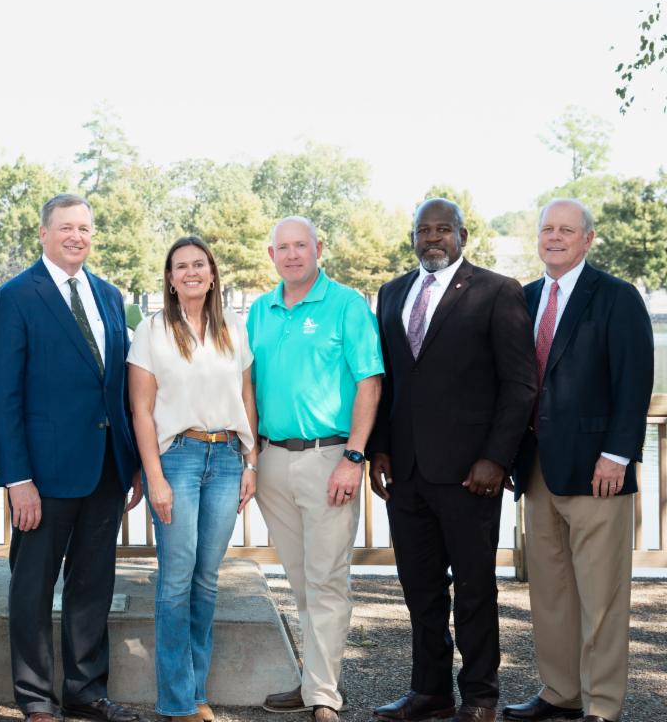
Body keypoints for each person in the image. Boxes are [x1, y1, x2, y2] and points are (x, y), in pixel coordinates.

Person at [368, 199, 537, 722]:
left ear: (463, 235)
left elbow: (520, 384)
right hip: (407, 473)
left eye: (444, 229)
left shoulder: (497, 291)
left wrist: (495, 458)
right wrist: (379, 447)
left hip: (471, 475)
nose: (433, 238)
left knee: (475, 589)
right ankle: (430, 692)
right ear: (413, 236)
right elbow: (389, 380)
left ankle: (482, 697)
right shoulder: (393, 292)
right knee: (420, 590)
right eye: (424, 230)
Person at [0, 193, 143, 722]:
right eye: (67, 227)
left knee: (93, 584)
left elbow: (117, 387)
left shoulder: (109, 295)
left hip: (105, 468)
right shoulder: (14, 297)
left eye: (86, 228)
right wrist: (17, 477)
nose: (78, 236)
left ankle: (85, 692)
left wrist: (133, 464)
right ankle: (34, 697)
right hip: (42, 475)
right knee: (32, 586)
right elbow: (1, 395)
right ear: (44, 234)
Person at [501, 200, 654, 722]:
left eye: (567, 230)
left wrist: (617, 455)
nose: (555, 237)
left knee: (603, 596)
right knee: (550, 592)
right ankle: (560, 692)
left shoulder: (616, 297)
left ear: (588, 239)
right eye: (547, 228)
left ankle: (603, 705)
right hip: (537, 468)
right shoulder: (522, 299)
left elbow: (633, 383)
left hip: (597, 472)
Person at [248, 217, 383, 722]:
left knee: (326, 580)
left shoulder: (346, 305)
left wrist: (354, 456)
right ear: (271, 254)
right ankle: (312, 682)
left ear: (318, 248)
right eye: (282, 247)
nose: (292, 254)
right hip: (272, 462)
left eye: (300, 245)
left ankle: (323, 694)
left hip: (330, 459)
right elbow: (247, 387)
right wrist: (251, 456)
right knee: (302, 580)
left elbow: (369, 384)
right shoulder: (259, 311)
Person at [128, 236, 258, 722]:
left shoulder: (233, 329)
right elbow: (141, 410)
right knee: (177, 579)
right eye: (180, 266)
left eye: (198, 264)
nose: (190, 272)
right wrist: (154, 477)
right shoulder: (153, 330)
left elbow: (247, 398)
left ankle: (197, 691)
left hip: (227, 458)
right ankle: (176, 700)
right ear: (169, 277)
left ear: (212, 272)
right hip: (178, 458)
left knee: (206, 580)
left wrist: (251, 463)